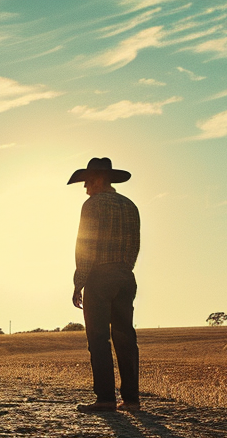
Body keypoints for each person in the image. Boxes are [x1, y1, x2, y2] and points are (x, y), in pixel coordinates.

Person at [68, 157, 140, 413]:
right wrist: (125, 269)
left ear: (98, 180)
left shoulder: (92, 205)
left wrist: (80, 282)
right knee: (125, 337)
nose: (86, 188)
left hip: (100, 275)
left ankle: (105, 399)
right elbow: (135, 245)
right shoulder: (130, 205)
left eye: (87, 182)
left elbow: (85, 245)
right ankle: (131, 400)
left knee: (98, 338)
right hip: (125, 275)